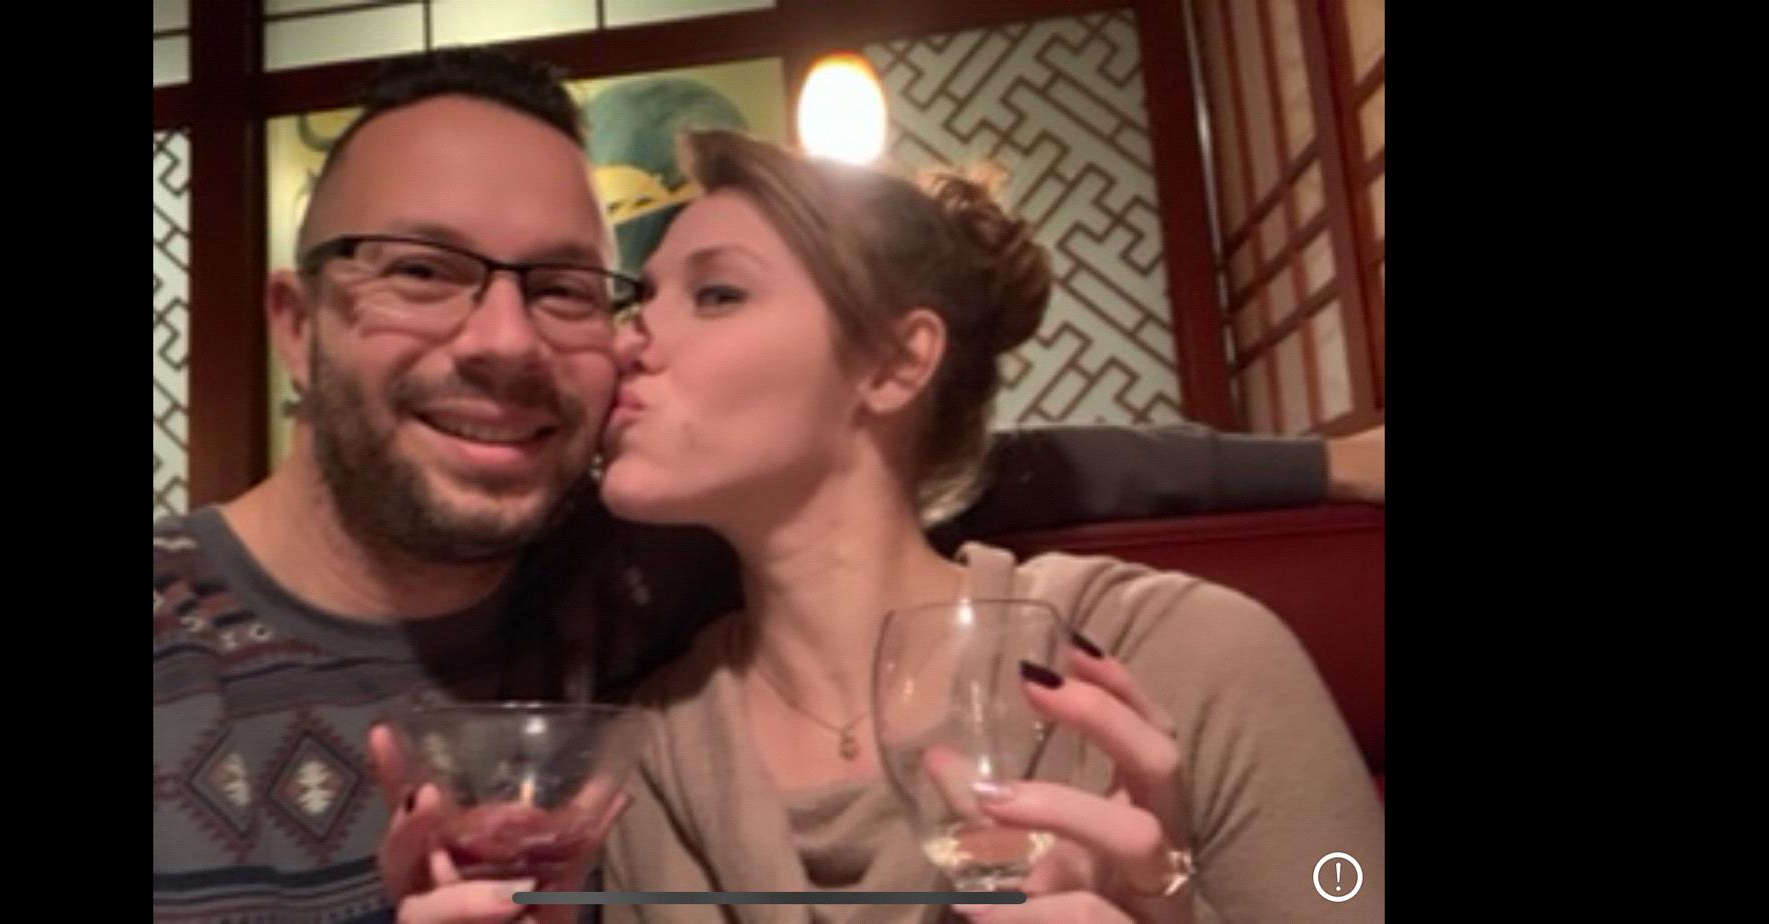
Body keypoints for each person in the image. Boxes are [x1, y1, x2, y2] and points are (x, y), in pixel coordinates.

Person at [154, 48, 1382, 924]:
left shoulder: (1166, 656)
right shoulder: (646, 730)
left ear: (895, 363)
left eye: (575, 290)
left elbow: (1026, 465)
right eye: (421, 270)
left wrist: (1325, 464)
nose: (531, 343)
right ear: (296, 323)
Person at [567, 132, 1382, 922]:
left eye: (717, 294)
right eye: (639, 298)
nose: (625, 341)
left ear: (896, 363)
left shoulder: (1181, 654)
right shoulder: (647, 752)